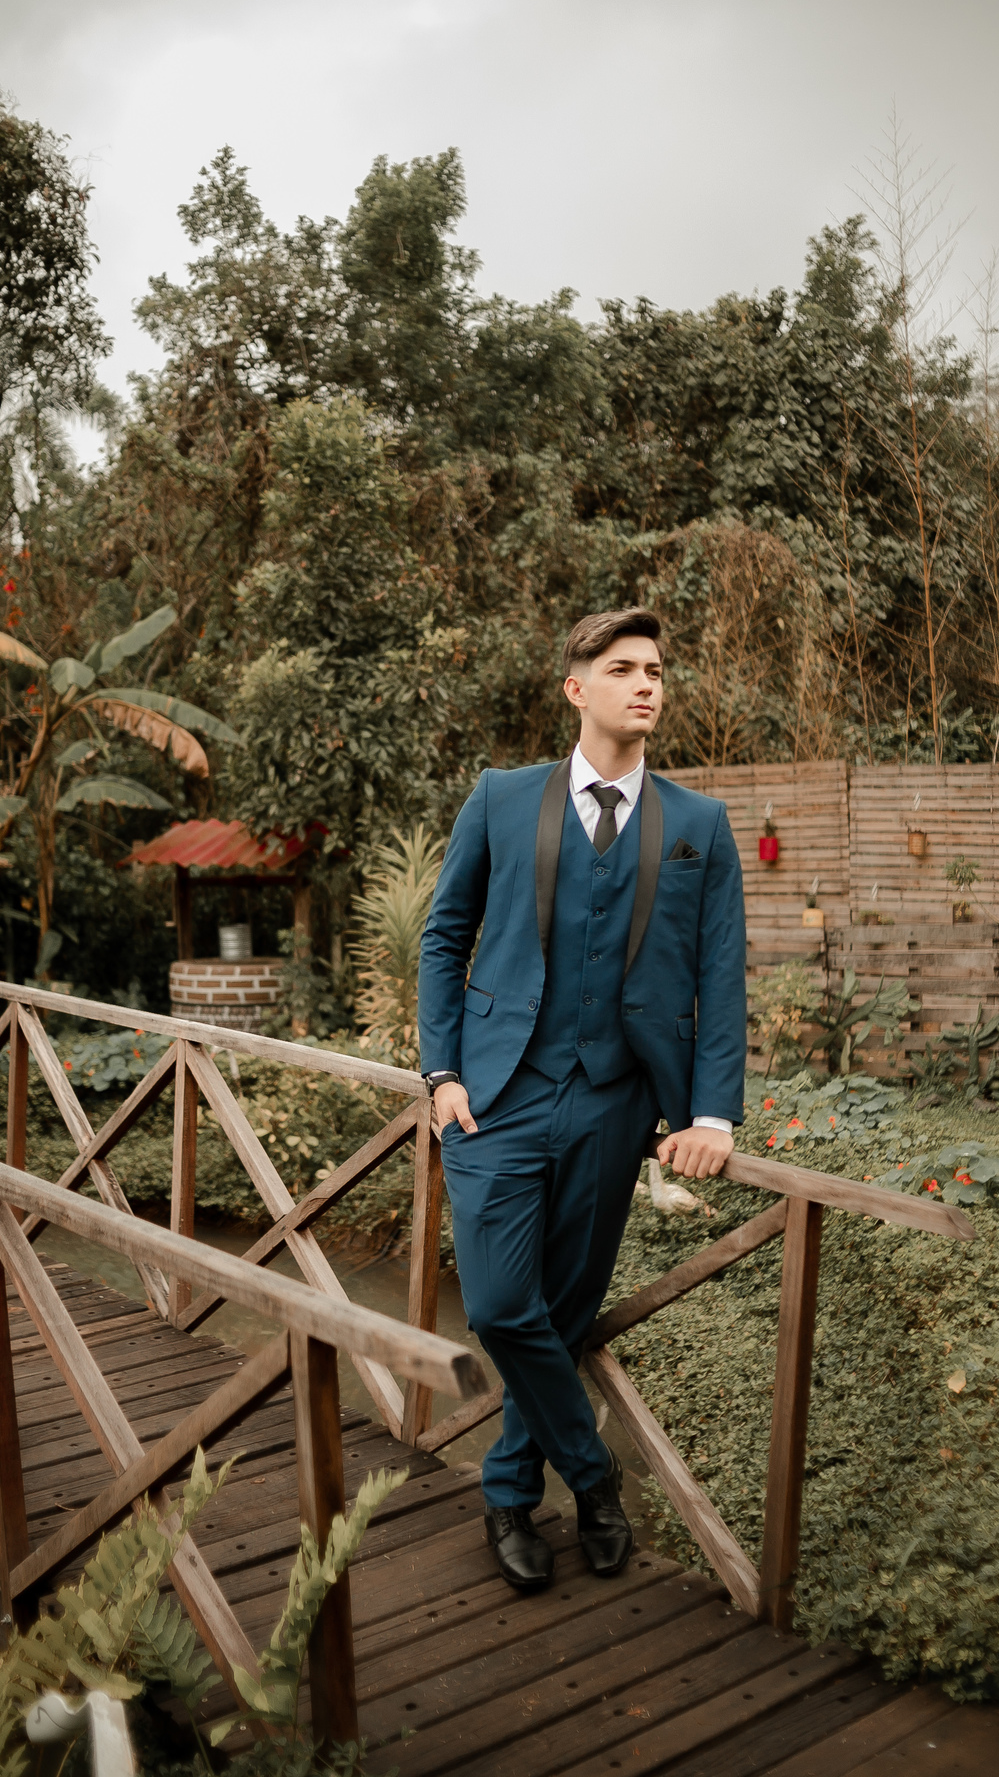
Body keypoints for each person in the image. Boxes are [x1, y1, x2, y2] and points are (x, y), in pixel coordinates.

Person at [417, 608, 747, 1591]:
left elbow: (721, 976)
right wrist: (442, 1073)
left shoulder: (698, 825)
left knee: (561, 1311)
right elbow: (445, 937)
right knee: (500, 1306)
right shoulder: (501, 797)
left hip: (616, 1104)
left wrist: (712, 1115)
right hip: (495, 1096)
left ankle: (510, 1495)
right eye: (624, 668)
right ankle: (596, 1477)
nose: (647, 683)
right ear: (578, 689)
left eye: (657, 670)